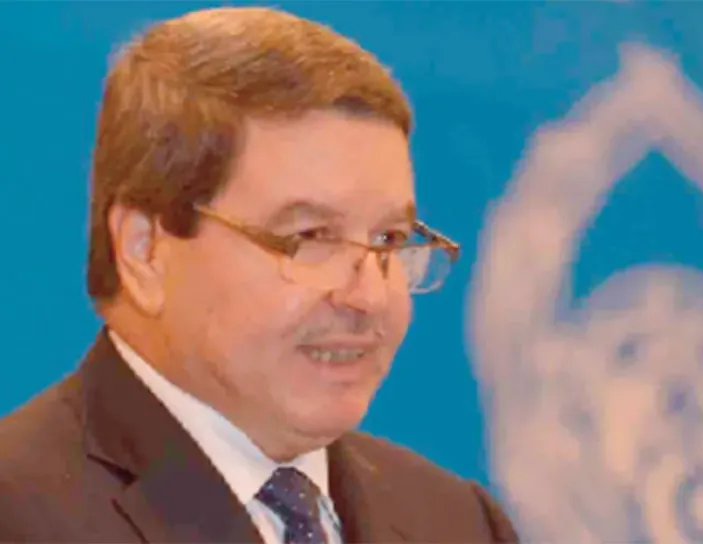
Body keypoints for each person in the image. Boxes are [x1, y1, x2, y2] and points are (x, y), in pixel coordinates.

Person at [0, 6, 518, 543]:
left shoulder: (459, 521)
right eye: (312, 237)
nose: (369, 296)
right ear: (144, 251)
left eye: (390, 239)